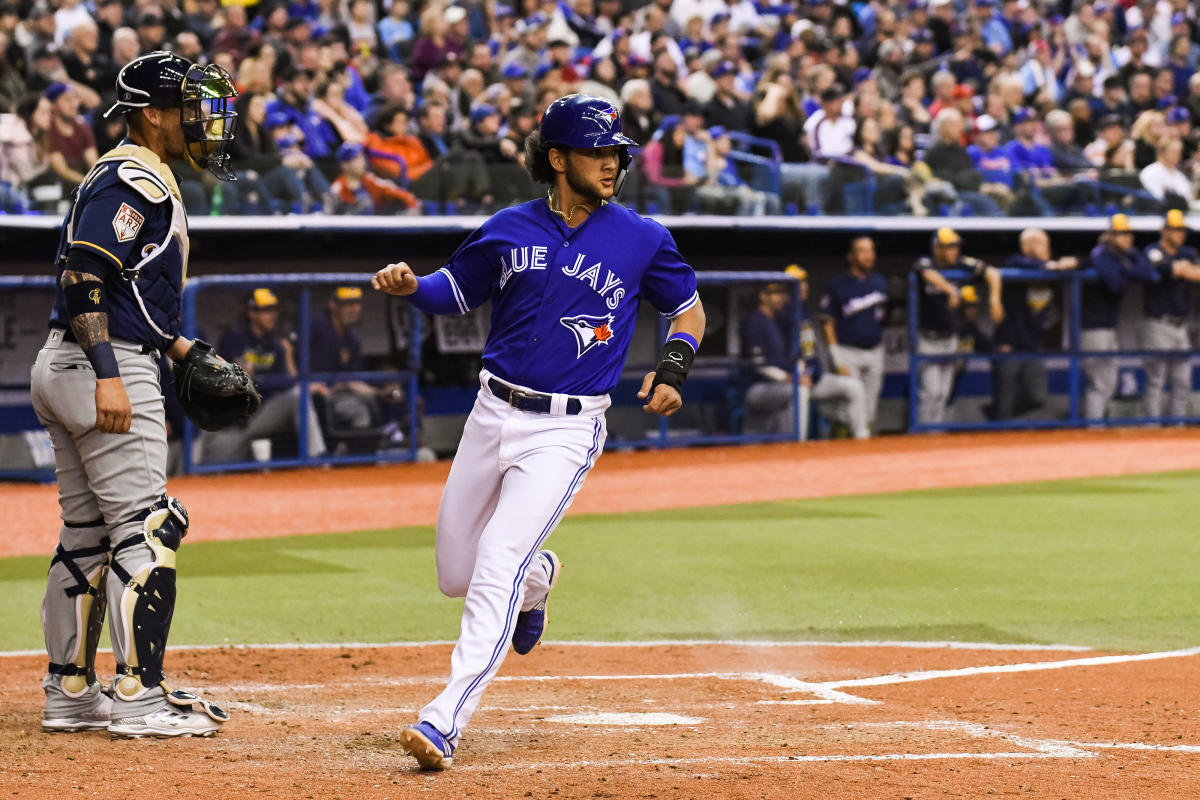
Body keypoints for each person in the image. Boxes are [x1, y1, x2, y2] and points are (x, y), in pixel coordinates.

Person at [371, 93, 704, 770]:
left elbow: (690, 310)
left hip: (566, 427)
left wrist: (675, 367)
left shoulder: (642, 237)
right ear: (557, 159)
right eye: (597, 151)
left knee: (495, 562)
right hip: (490, 413)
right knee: (455, 572)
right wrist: (411, 288)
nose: (612, 163)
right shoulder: (507, 228)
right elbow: (452, 291)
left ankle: (445, 718)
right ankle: (538, 577)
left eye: (617, 152)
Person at [30, 51, 238, 738]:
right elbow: (86, 276)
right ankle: (139, 698)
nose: (203, 121)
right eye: (190, 108)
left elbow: (121, 289)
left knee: (87, 536)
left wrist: (179, 348)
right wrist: (111, 374)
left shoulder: (129, 172)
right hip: (101, 367)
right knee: (149, 528)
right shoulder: (135, 178)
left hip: (70, 363)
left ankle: (71, 691)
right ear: (153, 113)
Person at [198, 288, 327, 463]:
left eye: (274, 310)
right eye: (266, 310)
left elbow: (288, 384)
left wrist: (287, 357)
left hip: (264, 408)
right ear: (252, 313)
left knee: (300, 395)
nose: (272, 315)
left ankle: (315, 457)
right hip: (236, 412)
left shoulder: (276, 343)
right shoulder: (234, 336)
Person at [743, 276, 869, 439]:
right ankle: (796, 445)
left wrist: (803, 374)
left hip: (789, 383)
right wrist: (791, 378)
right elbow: (759, 365)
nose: (781, 297)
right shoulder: (755, 321)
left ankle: (862, 440)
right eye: (775, 293)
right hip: (758, 387)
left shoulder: (780, 321)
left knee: (854, 386)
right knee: (799, 392)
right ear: (763, 296)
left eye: (782, 293)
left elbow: (798, 354)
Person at [912, 228, 1003, 425]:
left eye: (956, 247)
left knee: (944, 393)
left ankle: (936, 435)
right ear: (937, 248)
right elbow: (926, 273)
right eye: (949, 247)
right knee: (930, 393)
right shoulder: (926, 262)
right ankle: (922, 438)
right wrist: (950, 290)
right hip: (928, 338)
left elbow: (992, 273)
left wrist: (995, 300)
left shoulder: (962, 263)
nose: (954, 251)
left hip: (950, 338)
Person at [991, 228, 1079, 421]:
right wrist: (1049, 265)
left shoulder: (1049, 268)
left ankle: (993, 414)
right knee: (1003, 409)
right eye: (1040, 243)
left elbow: (1082, 264)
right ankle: (996, 436)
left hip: (1034, 346)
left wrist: (1073, 263)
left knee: (1036, 398)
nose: (1046, 247)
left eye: (1047, 243)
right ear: (1025, 247)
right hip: (1009, 345)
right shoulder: (1016, 263)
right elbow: (1015, 262)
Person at [1081, 214, 1156, 420]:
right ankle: (1092, 431)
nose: (1126, 238)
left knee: (1108, 383)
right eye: (1120, 234)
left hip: (1108, 327)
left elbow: (1147, 273)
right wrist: (1128, 269)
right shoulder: (1100, 253)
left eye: (1128, 233)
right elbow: (1116, 284)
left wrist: (1128, 262)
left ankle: (1096, 426)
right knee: (1099, 384)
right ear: (1110, 235)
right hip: (1093, 328)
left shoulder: (1123, 255)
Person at [820, 238, 889, 431]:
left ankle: (862, 450)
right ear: (850, 256)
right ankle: (842, 449)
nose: (868, 256)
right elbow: (827, 323)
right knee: (847, 405)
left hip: (875, 350)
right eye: (862, 251)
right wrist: (836, 357)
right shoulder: (838, 284)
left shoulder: (880, 282)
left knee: (870, 406)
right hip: (848, 350)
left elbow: (883, 317)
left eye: (871, 250)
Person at [1140, 210, 1200, 419]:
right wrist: (1182, 270)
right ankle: (1152, 430)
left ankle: (1177, 427)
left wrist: (1184, 269)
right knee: (1155, 381)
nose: (1180, 234)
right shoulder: (1152, 250)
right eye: (1175, 230)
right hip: (1157, 322)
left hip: (1180, 325)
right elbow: (1165, 269)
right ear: (1164, 231)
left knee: (1182, 381)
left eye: (1182, 230)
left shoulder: (1188, 253)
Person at [309, 286, 380, 439]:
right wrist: (306, 384)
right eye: (348, 303)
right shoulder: (316, 324)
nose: (354, 308)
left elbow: (352, 377)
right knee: (357, 410)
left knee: (371, 401)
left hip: (337, 393)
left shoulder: (353, 339)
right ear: (334, 305)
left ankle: (373, 449)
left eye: (357, 303)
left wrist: (380, 391)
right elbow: (289, 350)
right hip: (309, 393)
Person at [329, 141, 418, 215]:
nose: (362, 162)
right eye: (356, 158)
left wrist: (411, 204)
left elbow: (400, 194)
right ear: (345, 165)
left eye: (361, 157)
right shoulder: (337, 189)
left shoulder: (371, 180)